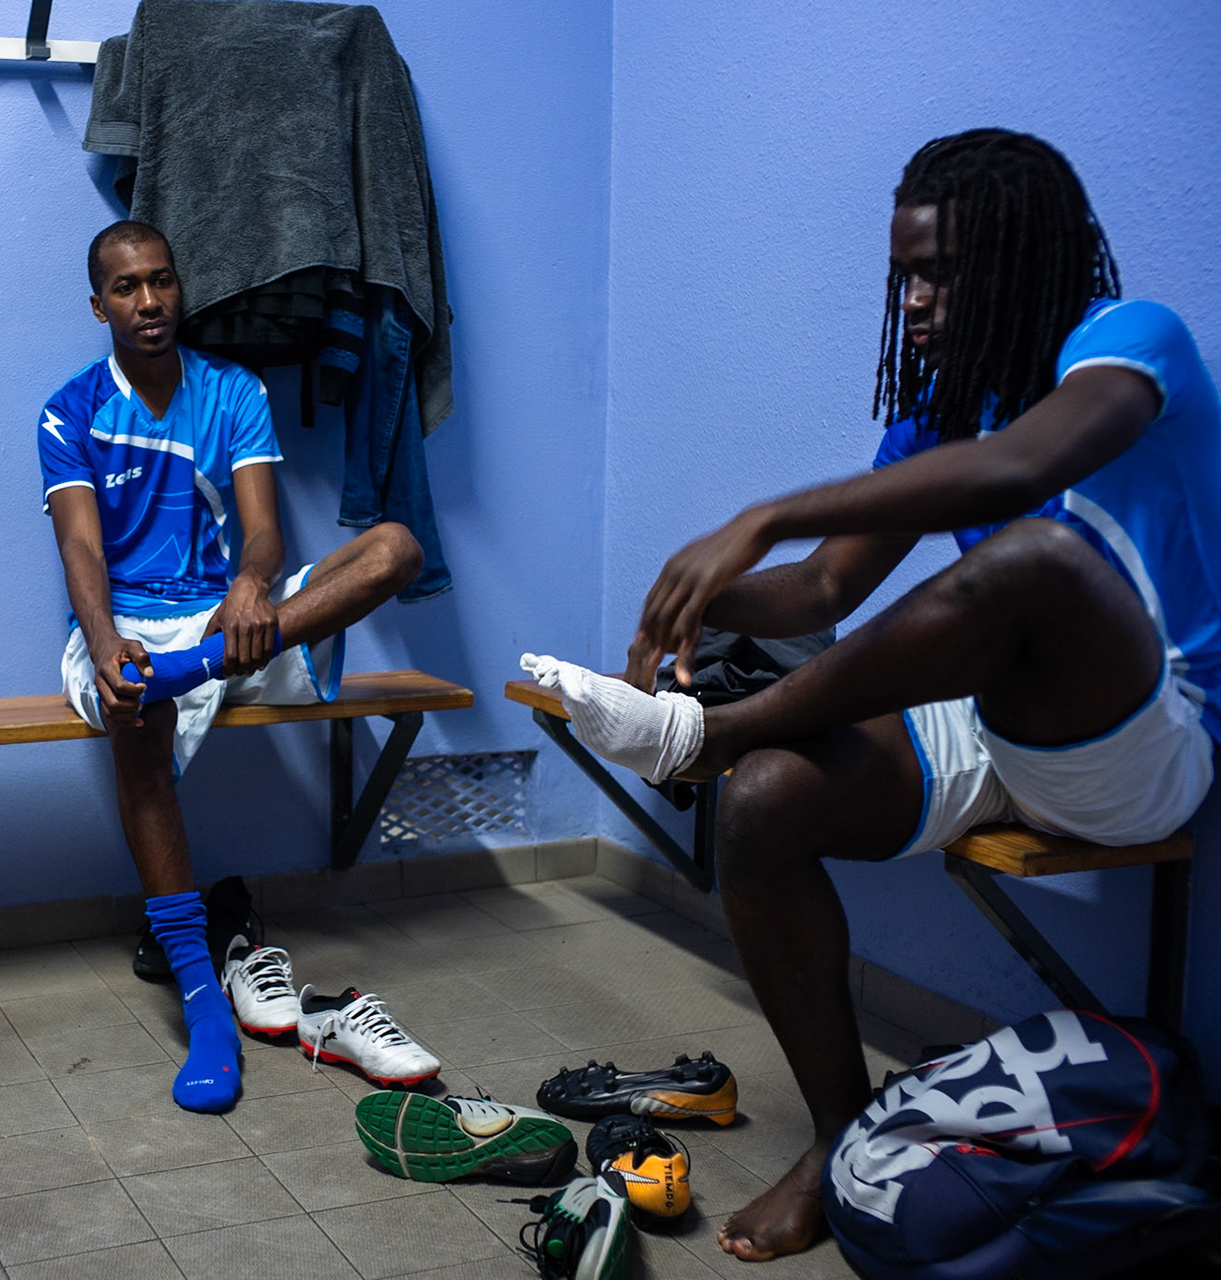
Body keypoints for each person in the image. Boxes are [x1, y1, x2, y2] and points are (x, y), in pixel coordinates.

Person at [522, 129, 1219, 1260]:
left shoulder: (1130, 343)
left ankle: (704, 734)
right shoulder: (948, 399)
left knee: (1035, 560)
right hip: (1006, 727)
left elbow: (1023, 471)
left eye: (940, 270)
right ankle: (841, 1141)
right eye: (905, 275)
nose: (917, 299)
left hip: (1150, 746)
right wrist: (702, 590)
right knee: (764, 800)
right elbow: (822, 588)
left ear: (1020, 257)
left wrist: (766, 513)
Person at [40, 221, 424, 1113]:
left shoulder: (233, 389)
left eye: (161, 281)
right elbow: (81, 552)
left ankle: (195, 665)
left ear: (179, 287)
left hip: (230, 622)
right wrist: (107, 644)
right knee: (136, 701)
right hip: (126, 624)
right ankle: (204, 1003)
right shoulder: (69, 411)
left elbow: (263, 533)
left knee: (395, 547)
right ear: (99, 306)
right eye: (128, 288)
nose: (150, 301)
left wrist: (251, 588)